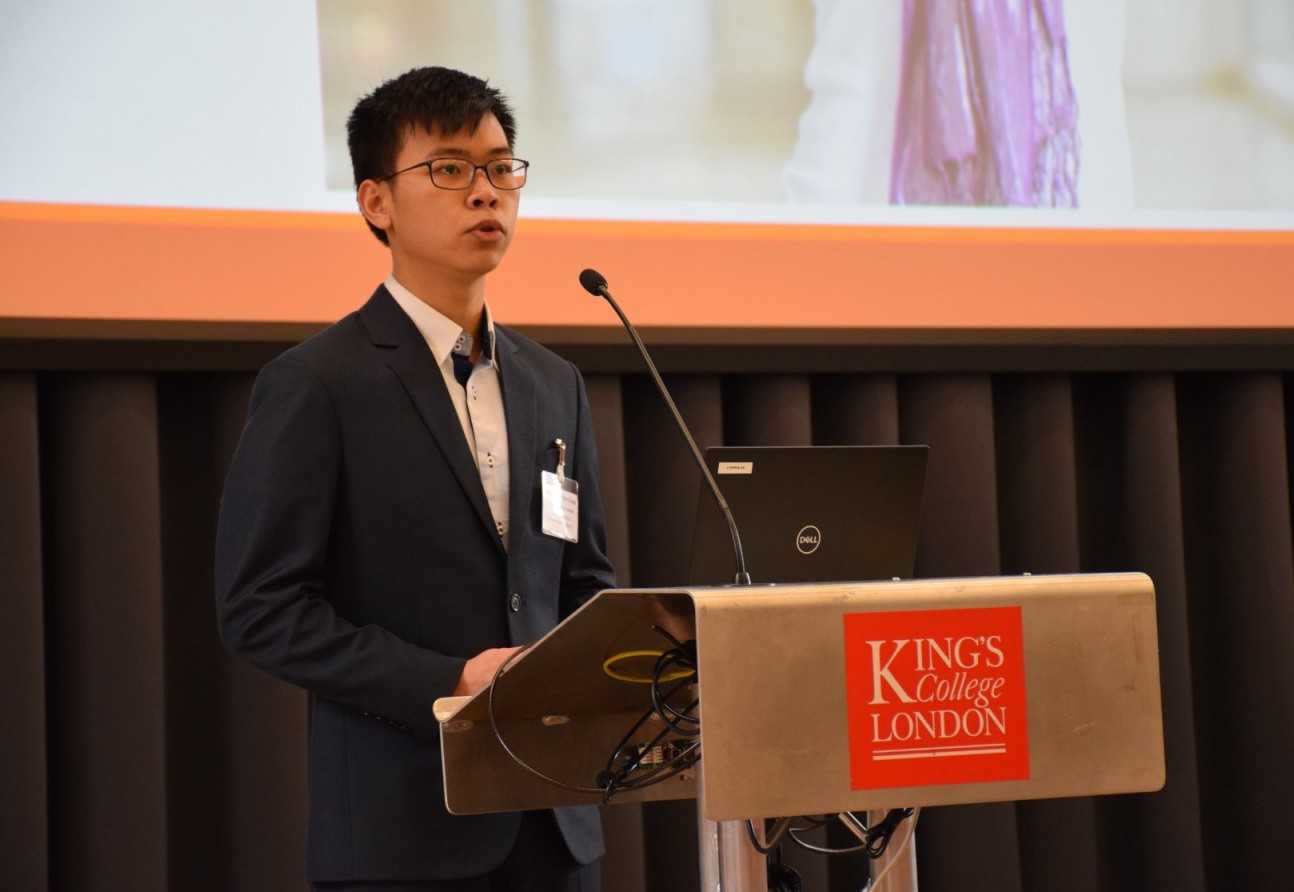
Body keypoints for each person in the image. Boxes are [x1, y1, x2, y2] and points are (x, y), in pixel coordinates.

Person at [215, 66, 615, 891]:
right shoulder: (320, 382)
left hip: (555, 826)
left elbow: (583, 580)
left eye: (501, 168)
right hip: (403, 835)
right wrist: (450, 681)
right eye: (450, 168)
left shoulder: (554, 383)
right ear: (376, 202)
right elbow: (261, 609)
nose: (486, 192)